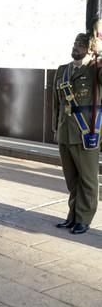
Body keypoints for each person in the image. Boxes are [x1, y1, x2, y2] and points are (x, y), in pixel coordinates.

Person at [52, 33, 102, 235]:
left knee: (87, 180)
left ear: (90, 49)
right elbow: (57, 103)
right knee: (71, 179)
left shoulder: (95, 70)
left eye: (81, 45)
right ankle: (72, 215)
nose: (76, 47)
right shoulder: (63, 70)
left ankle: (83, 218)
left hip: (86, 132)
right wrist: (56, 128)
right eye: (75, 44)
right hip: (65, 132)